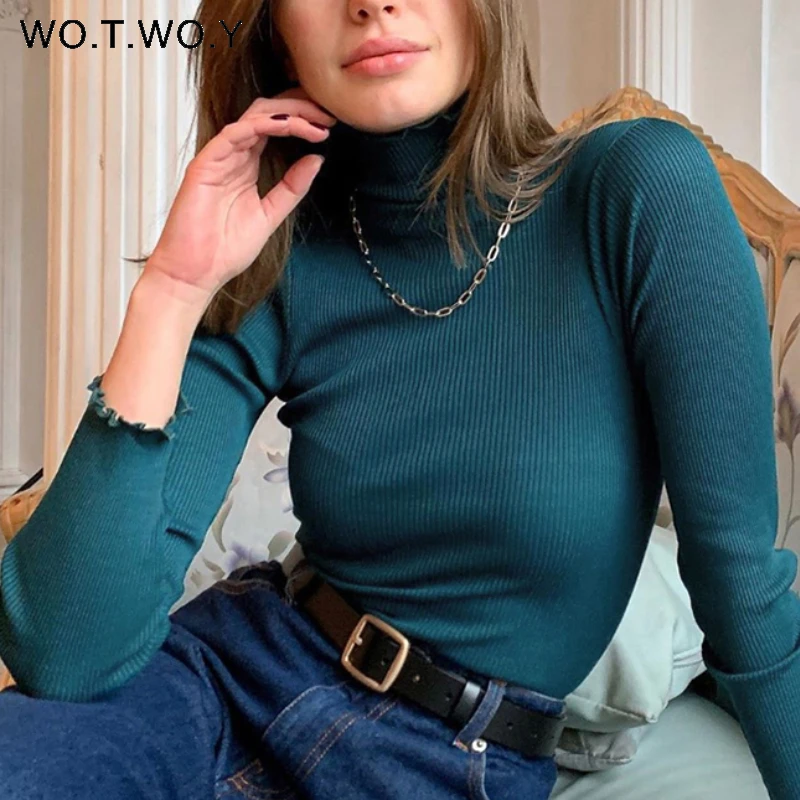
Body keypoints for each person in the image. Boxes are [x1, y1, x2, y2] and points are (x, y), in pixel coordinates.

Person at [1, 0, 798, 797]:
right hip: (223, 683)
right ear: (276, 28)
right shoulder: (279, 244)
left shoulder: (632, 190)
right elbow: (67, 655)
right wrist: (172, 292)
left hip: (447, 760)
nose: (371, 3)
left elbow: (743, 594)